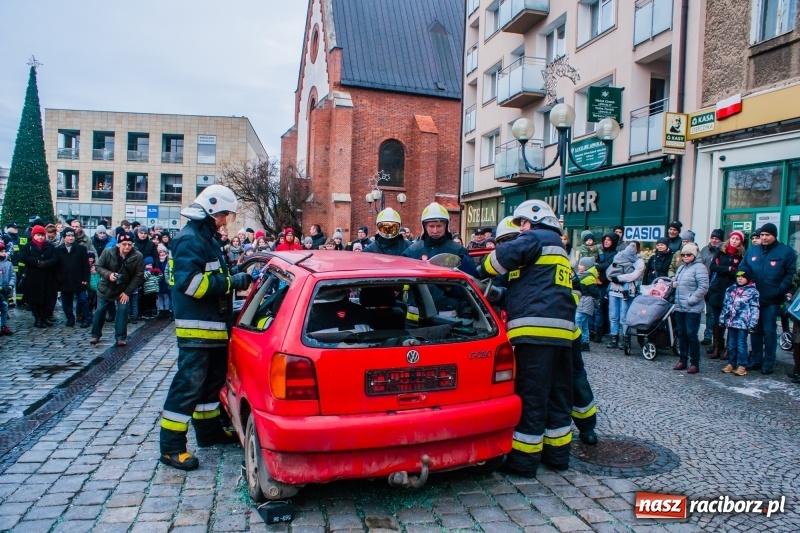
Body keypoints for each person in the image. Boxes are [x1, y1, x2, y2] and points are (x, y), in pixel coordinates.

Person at [476, 200, 577, 477]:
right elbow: (535, 288)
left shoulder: (535, 237)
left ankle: (523, 461)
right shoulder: (559, 248)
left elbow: (497, 260)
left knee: (532, 395)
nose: (521, 229)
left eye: (522, 223)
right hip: (562, 334)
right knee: (558, 395)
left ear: (532, 221)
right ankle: (557, 456)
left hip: (534, 334)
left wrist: (479, 267)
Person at [159, 184, 252, 471]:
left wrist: (236, 274)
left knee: (211, 385)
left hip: (213, 327)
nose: (225, 221)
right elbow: (191, 284)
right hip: (197, 330)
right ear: (211, 210)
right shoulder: (189, 240)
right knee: (188, 386)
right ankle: (172, 447)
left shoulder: (206, 238)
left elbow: (215, 274)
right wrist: (231, 283)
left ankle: (208, 433)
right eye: (223, 215)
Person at [744, 223, 797, 374]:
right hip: (754, 299)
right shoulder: (753, 251)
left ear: (774, 235)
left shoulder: (786, 252)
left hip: (772, 300)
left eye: (767, 235)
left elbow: (790, 275)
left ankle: (768, 362)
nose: (764, 237)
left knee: (769, 332)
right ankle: (755, 359)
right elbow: (743, 268)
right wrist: (744, 281)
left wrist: (778, 290)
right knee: (755, 331)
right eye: (762, 235)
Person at [90, 231, 144, 345]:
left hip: (124, 288)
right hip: (106, 287)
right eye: (124, 244)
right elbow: (99, 267)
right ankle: (95, 334)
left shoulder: (137, 256)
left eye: (129, 244)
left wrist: (127, 292)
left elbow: (139, 275)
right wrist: (109, 275)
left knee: (123, 310)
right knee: (100, 311)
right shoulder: (107, 252)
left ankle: (121, 337)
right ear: (119, 244)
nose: (127, 247)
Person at [402, 202, 478, 278]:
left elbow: (473, 278)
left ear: (446, 225)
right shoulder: (412, 251)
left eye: (439, 226)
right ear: (425, 227)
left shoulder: (458, 250)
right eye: (431, 226)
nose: (435, 231)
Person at [706, 231, 745, 359]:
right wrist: (728, 269)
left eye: (737, 239)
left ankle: (729, 349)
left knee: (730, 320)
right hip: (718, 288)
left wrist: (728, 270)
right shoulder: (720, 251)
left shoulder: (742, 254)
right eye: (733, 238)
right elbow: (713, 267)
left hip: (733, 289)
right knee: (717, 320)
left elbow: (741, 271)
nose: (734, 241)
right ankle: (717, 347)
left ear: (741, 242)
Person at [672, 243, 710, 374]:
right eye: (683, 255)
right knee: (681, 333)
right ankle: (682, 360)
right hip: (680, 306)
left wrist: (691, 300)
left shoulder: (700, 268)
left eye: (688, 254)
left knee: (691, 334)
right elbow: (675, 281)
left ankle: (694, 362)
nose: (685, 257)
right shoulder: (681, 268)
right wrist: (673, 283)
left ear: (694, 255)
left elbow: (703, 286)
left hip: (692, 307)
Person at [719, 265, 759, 376]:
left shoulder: (752, 291)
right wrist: (722, 318)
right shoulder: (731, 289)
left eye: (743, 277)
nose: (740, 279)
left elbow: (754, 308)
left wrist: (753, 323)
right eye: (738, 276)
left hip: (743, 323)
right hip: (732, 322)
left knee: (741, 344)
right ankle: (731, 363)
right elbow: (726, 305)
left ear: (748, 278)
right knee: (731, 344)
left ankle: (742, 365)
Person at [605, 242, 645, 349]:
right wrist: (612, 277)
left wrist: (619, 278)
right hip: (614, 288)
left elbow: (635, 275)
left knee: (624, 316)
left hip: (626, 289)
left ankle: (625, 338)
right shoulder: (619, 256)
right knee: (613, 315)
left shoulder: (638, 261)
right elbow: (610, 270)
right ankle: (614, 337)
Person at [19, 225, 58, 328]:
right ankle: (37, 319)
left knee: (48, 299)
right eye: (38, 235)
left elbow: (55, 258)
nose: (40, 237)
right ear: (34, 235)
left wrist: (47, 263)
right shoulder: (29, 246)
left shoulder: (50, 246)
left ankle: (44, 318)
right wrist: (36, 262)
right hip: (34, 276)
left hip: (48, 276)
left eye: (42, 235)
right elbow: (24, 257)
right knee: (35, 299)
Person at [54, 227, 91, 328]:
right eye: (68, 236)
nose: (71, 238)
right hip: (64, 280)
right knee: (66, 302)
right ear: (64, 237)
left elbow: (85, 266)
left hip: (79, 279)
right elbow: (56, 266)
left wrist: (86, 279)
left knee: (83, 300)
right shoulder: (58, 250)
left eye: (72, 236)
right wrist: (58, 280)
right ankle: (70, 318)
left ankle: (86, 318)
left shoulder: (81, 249)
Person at [592, 233, 620, 343]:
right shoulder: (601, 253)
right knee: (599, 307)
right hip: (600, 282)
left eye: (609, 240)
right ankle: (598, 332)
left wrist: (597, 266)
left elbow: (608, 265)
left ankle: (604, 331)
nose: (606, 241)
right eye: (605, 239)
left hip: (611, 283)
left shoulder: (616, 254)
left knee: (607, 309)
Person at [700, 229, 724, 346]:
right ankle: (708, 336)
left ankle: (718, 339)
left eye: (717, 238)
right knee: (709, 312)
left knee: (717, 314)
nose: (714, 240)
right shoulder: (704, 250)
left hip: (717, 285)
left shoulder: (723, 251)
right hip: (705, 283)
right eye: (713, 238)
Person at [573, 256, 600, 351]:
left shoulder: (588, 278)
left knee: (578, 321)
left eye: (581, 264)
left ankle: (578, 341)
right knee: (584, 324)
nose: (579, 266)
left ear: (586, 266)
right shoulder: (585, 276)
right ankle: (585, 342)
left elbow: (595, 292)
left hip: (585, 302)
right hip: (584, 302)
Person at [0, 242, 16, 334]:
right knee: (3, 305)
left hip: (6, 290)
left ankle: (4, 325)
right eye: (1, 251)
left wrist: (10, 285)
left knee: (4, 308)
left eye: (4, 251)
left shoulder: (8, 263)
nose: (4, 253)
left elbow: (12, 276)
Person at [156, 245, 172, 318]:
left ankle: (167, 309)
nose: (162, 254)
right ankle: (161, 309)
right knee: (160, 296)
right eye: (160, 252)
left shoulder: (167, 261)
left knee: (166, 295)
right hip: (159, 280)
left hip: (165, 280)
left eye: (163, 252)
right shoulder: (157, 261)